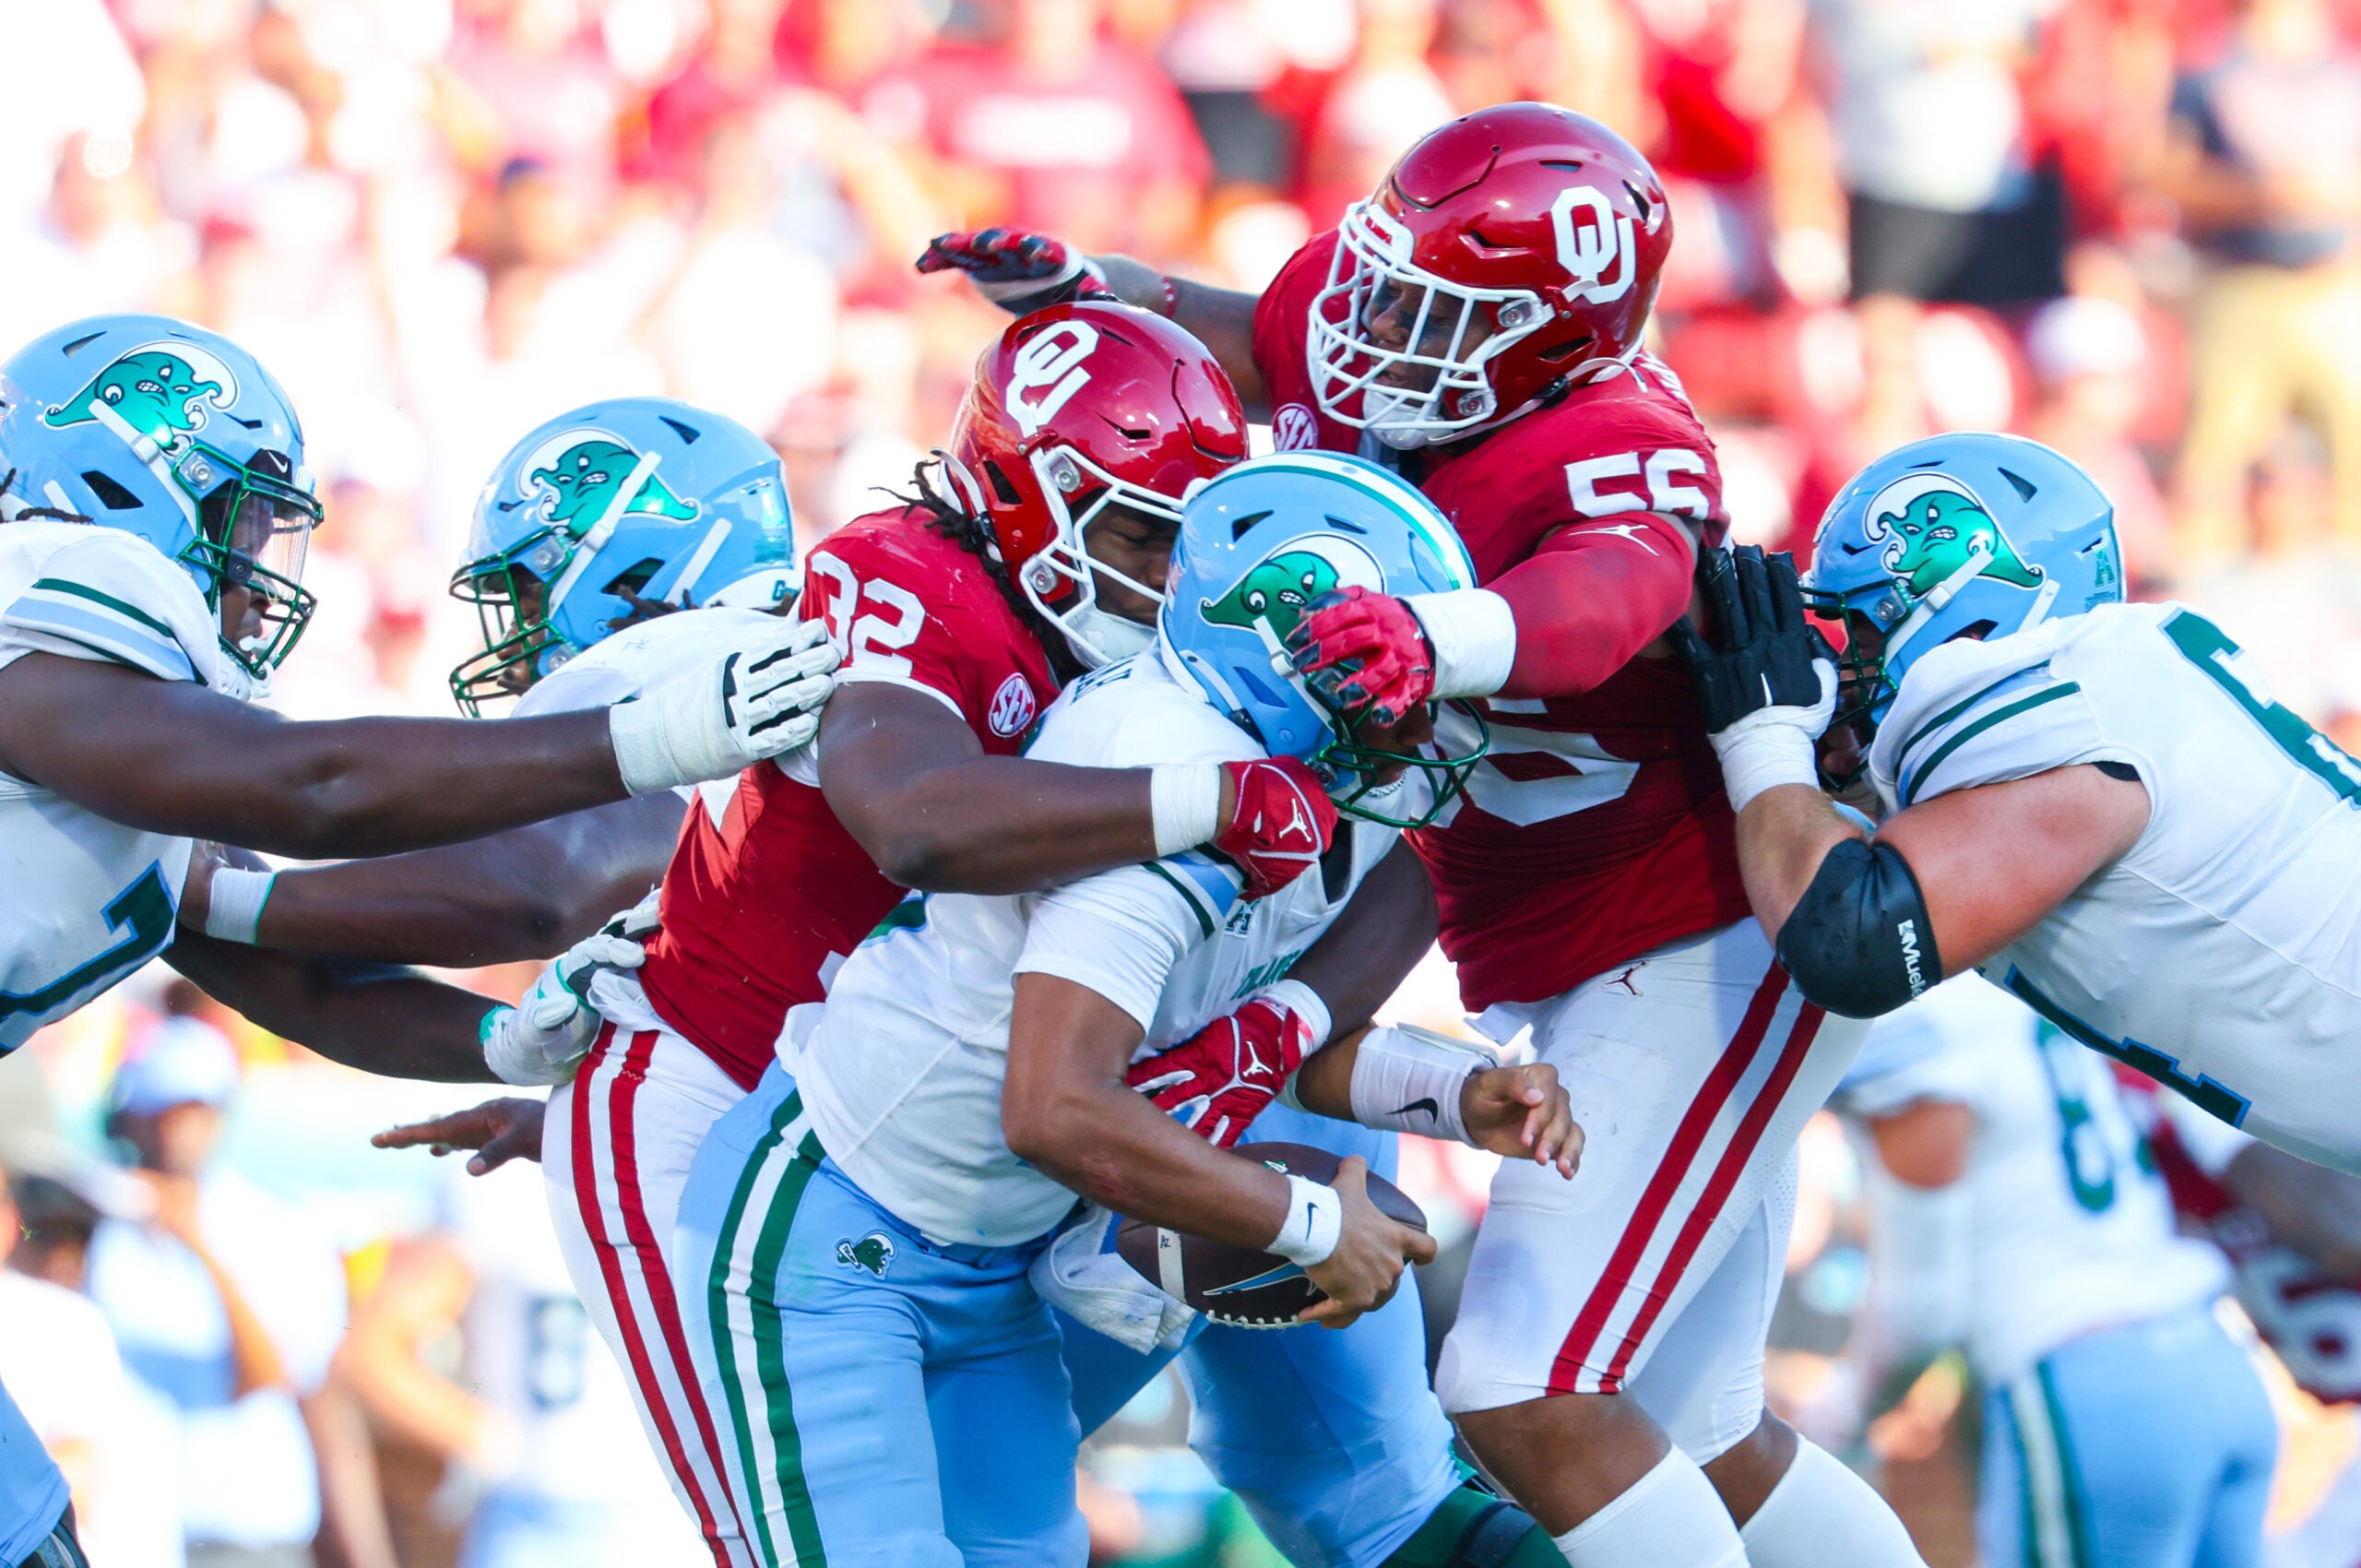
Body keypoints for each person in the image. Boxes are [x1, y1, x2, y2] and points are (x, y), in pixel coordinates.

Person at [317, 305, 1493, 1568]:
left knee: (1277, 1463)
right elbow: (890, 837)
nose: (1166, 579)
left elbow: (1410, 849)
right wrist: (222, 900)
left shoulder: (1179, 655)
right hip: (788, 1135)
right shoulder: (880, 596)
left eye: (1181, 539)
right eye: (1143, 533)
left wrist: (1281, 1045)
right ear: (1022, 495)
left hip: (961, 1162)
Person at [918, 102, 1917, 1567]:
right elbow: (1268, 335)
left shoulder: (1620, 446)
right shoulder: (1387, 303)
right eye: (1384, 285)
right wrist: (1102, 292)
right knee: (1695, 1426)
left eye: (1429, 312)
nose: (1377, 331)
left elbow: (1602, 605)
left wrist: (1431, 634)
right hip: (1568, 944)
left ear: (1555, 340)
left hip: (1689, 938)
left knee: (1521, 1384)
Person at [0, 312, 833, 1568]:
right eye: (238, 517)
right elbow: (314, 790)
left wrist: (505, 1040)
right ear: (126, 475)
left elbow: (303, 983)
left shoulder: (119, 736)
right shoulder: (42, 622)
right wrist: (638, 739)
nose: (255, 564)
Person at [671, 450, 1577, 1567]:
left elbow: (1241, 1029)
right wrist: (1303, 1225)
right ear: (1283, 646)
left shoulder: (1287, 776)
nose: (1426, 717)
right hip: (831, 1236)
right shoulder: (1184, 776)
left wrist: (1451, 1091)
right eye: (1390, 673)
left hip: (987, 1262)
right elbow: (1053, 1106)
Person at [1688, 430, 2361, 1178]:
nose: (1852, 661)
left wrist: (1764, 736)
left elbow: (1857, 946)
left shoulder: (2059, 704)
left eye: (1867, 628)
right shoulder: (2113, 680)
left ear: (1967, 597)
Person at [1841, 975, 2276, 1568]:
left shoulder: (1913, 1019)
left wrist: (1841, 1422)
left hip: (2092, 1390)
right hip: (2215, 1362)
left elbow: (1922, 1313)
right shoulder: (2008, 970)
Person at [332, 1163, 695, 1568]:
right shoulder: (501, 1180)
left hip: (661, 1517)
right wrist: (490, 1440)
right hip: (542, 1518)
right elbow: (370, 1350)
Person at [84, 1018, 349, 1568]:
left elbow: (270, 1374)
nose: (176, 1131)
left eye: (194, 1111)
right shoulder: (100, 1228)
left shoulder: (280, 1229)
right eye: (162, 1112)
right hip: (134, 1535)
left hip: (240, 1540)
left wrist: (198, 1247)